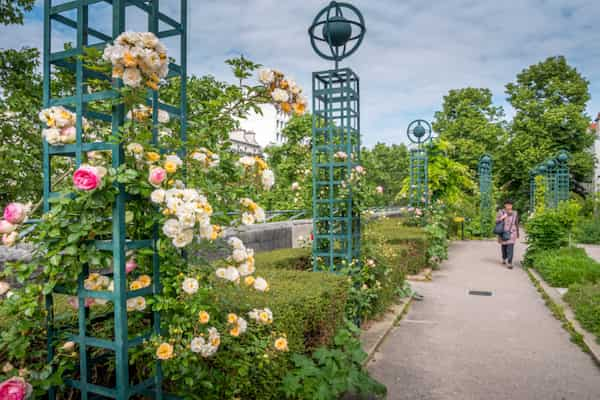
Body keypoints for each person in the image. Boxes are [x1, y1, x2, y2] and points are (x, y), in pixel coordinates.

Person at [496, 200, 519, 269]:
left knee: (510, 247)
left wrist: (518, 232)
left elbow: (516, 222)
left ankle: (510, 262)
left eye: (510, 205)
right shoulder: (501, 212)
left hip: (512, 232)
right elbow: (496, 221)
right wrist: (502, 217)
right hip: (503, 232)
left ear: (512, 206)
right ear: (505, 205)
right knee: (504, 246)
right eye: (507, 205)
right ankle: (504, 257)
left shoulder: (515, 213)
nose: (509, 206)